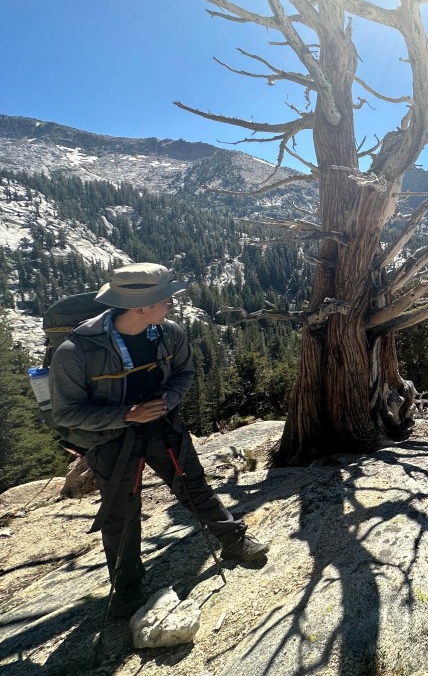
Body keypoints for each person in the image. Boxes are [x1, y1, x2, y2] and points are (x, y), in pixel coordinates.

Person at [50, 262, 269, 618]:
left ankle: (233, 540)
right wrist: (126, 415)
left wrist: (168, 400)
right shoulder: (76, 352)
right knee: (121, 512)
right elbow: (67, 413)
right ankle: (127, 590)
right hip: (111, 441)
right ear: (139, 307)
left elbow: (184, 373)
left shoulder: (169, 333)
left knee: (193, 485)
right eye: (165, 299)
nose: (171, 304)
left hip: (164, 427)